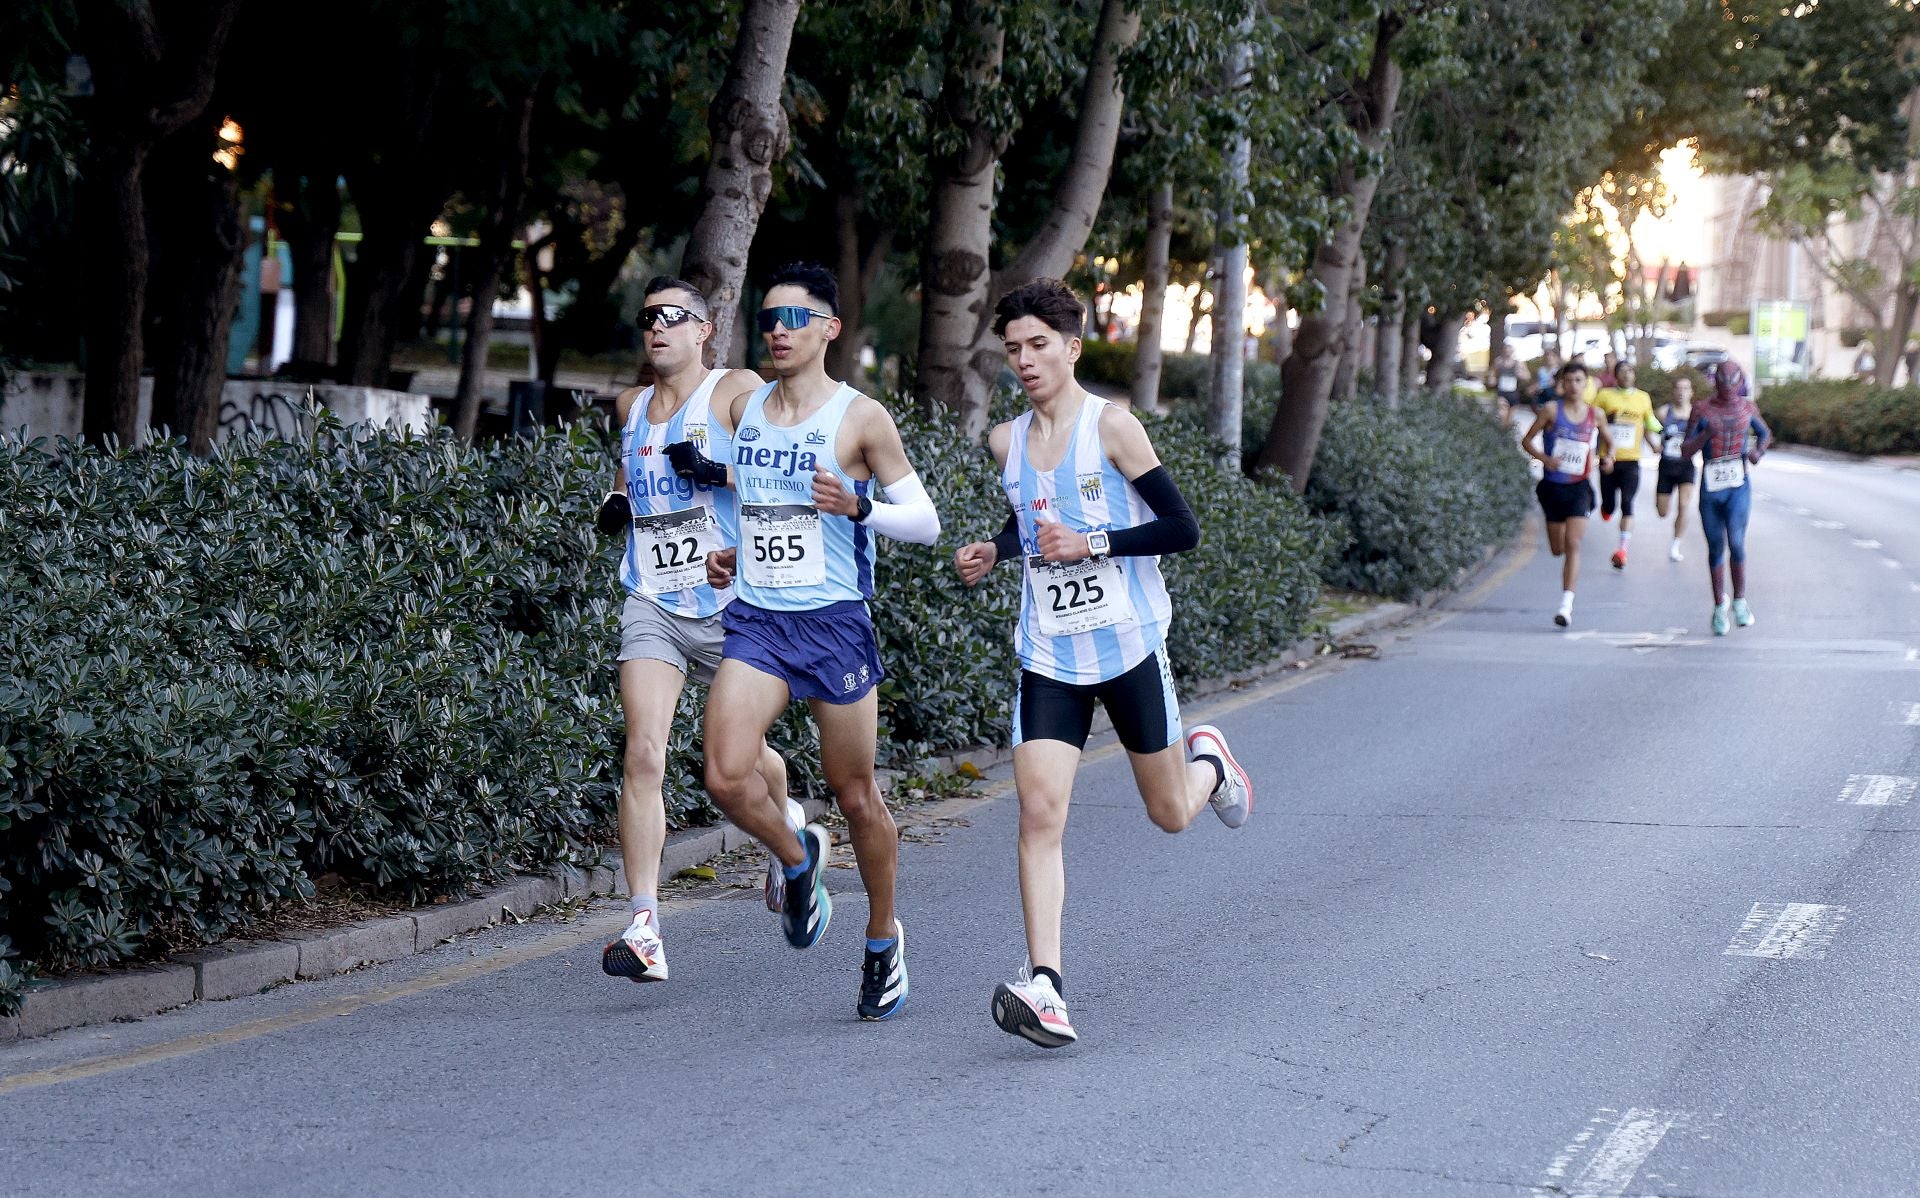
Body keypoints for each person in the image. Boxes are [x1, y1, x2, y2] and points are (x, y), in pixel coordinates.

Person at [952, 279, 1250, 1050]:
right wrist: (997, 549)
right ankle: (1046, 985)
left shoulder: (1112, 427)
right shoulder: (1006, 442)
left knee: (1171, 812)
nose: (1025, 360)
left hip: (1127, 646)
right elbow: (1032, 522)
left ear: (1073, 348)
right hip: (1050, 654)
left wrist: (1095, 543)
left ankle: (1211, 764)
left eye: (1038, 345)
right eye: (1013, 348)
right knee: (1039, 814)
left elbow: (1182, 528)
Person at [663, 261, 941, 1020]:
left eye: (794, 319)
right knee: (725, 775)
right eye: (769, 319)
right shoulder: (747, 406)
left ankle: (883, 938)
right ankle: (797, 863)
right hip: (758, 619)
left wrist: (860, 507)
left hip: (833, 624)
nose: (778, 332)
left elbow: (926, 523)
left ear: (830, 329)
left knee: (855, 795)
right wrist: (737, 553)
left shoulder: (861, 418)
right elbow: (763, 502)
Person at [594, 277, 800, 985]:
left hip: (729, 602)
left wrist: (717, 470)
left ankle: (784, 820)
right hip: (652, 599)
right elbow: (630, 471)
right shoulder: (630, 405)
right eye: (648, 317)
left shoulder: (735, 390)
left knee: (742, 758)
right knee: (643, 752)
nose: (657, 327)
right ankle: (644, 926)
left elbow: (784, 470)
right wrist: (616, 501)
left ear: (705, 329)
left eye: (673, 317)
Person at [1680, 360, 1770, 635]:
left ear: (1739, 382)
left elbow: (1765, 433)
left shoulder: (1747, 408)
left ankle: (1740, 600)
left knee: (1737, 541)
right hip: (1711, 487)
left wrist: (1757, 452)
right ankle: (1720, 604)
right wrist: (1705, 435)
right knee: (1716, 546)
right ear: (1715, 382)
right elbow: (1685, 450)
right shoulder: (1702, 409)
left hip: (1737, 487)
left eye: (1732, 382)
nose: (1728, 387)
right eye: (1722, 382)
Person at [1523, 363, 1613, 627]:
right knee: (1557, 549)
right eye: (1569, 380)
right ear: (1562, 384)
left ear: (1586, 384)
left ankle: (1566, 605)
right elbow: (1527, 440)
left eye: (1578, 380)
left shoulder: (1595, 414)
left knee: (1574, 544)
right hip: (1553, 488)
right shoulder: (1551, 410)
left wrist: (1609, 458)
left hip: (1579, 488)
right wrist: (1545, 459)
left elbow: (1609, 443)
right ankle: (1565, 593)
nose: (1574, 385)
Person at [1592, 361, 1661, 569]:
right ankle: (1606, 508)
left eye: (1630, 371)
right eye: (1622, 371)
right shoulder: (1604, 395)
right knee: (1609, 505)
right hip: (1608, 458)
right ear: (1615, 376)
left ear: (1634, 375)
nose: (1626, 375)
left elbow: (1649, 423)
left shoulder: (1643, 398)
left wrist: (1661, 437)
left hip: (1632, 460)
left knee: (1628, 503)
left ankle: (1622, 550)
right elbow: (1592, 420)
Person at [1653, 375, 1698, 562]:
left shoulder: (1696, 414)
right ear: (1673, 391)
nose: (1681, 392)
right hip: (1667, 465)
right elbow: (1647, 425)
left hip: (1686, 465)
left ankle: (1675, 544)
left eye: (1685, 388)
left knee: (1684, 506)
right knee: (1662, 512)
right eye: (1678, 388)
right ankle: (1668, 517)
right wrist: (1654, 444)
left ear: (1691, 392)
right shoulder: (1663, 412)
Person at [1489, 344, 1525, 421]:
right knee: (1502, 414)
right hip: (1502, 391)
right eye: (1506, 351)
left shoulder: (1518, 363)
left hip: (1513, 393)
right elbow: (1492, 373)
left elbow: (1527, 376)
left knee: (1509, 420)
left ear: (1513, 351)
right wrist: (1492, 379)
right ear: (1503, 351)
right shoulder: (1498, 361)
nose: (1507, 352)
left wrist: (1521, 374)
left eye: (1509, 351)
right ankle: (1501, 427)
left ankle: (1506, 427)